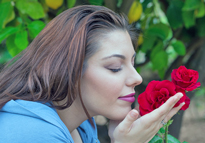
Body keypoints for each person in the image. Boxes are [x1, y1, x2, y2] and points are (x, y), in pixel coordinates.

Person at [0, 5, 185, 143]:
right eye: (115, 67)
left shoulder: (82, 126)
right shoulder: (33, 133)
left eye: (133, 63)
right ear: (68, 71)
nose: (137, 78)